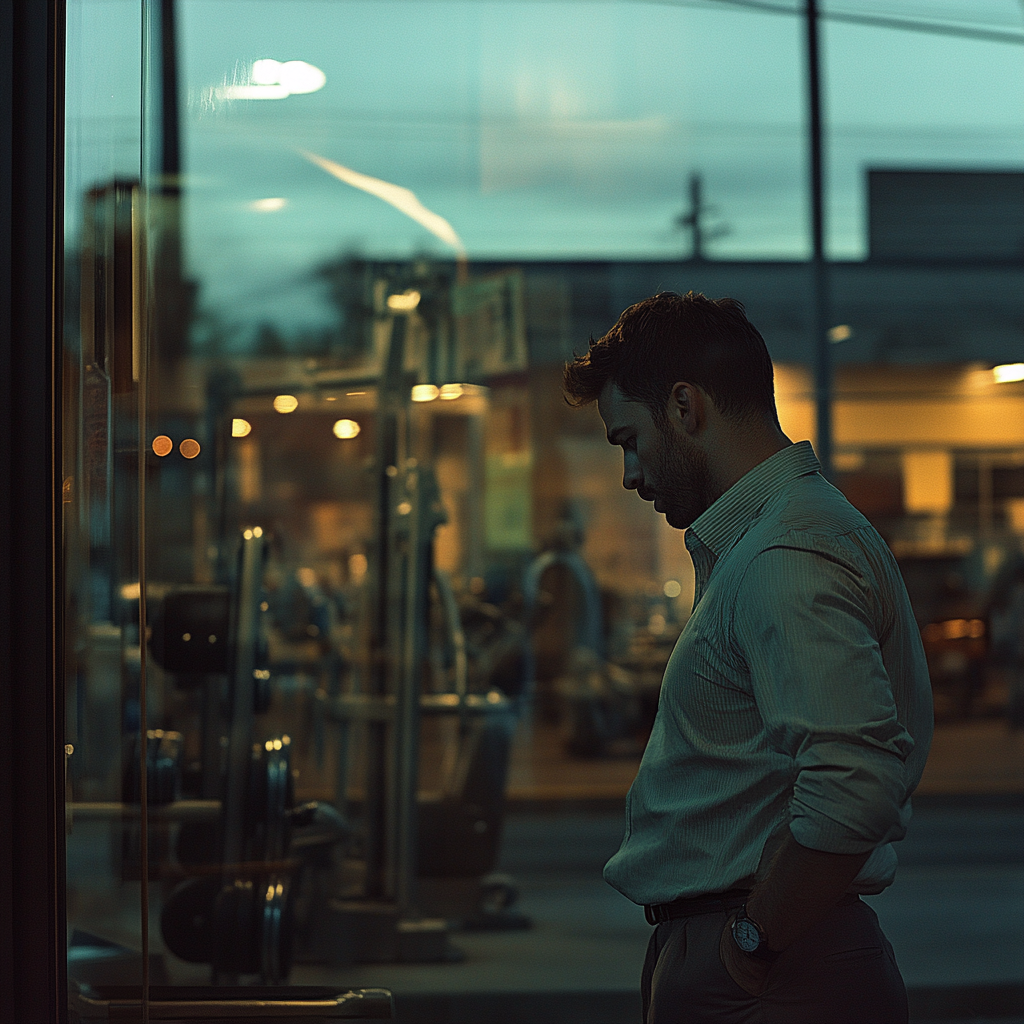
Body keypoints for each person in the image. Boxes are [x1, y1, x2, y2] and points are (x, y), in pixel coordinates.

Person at [563, 291, 933, 1024]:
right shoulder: (772, 541)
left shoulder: (786, 554)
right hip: (767, 962)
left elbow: (853, 786)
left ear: (684, 407)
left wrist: (752, 943)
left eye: (629, 440)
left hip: (775, 972)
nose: (631, 476)